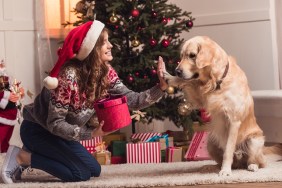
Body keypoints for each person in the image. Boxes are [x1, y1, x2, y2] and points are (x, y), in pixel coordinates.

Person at [0, 20, 168, 183]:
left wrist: (161, 87)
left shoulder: (105, 72)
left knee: (94, 170)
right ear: (92, 48)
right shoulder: (68, 76)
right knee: (79, 173)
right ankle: (22, 157)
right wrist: (91, 134)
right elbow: (54, 123)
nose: (110, 46)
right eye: (104, 42)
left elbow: (132, 99)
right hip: (38, 130)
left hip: (61, 136)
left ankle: (36, 153)